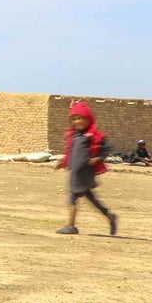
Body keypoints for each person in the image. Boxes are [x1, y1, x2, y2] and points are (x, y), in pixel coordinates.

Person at [54, 101, 117, 236]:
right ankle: (109, 216)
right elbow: (71, 152)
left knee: (73, 198)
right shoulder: (75, 136)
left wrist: (98, 159)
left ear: (89, 119)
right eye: (75, 118)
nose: (78, 121)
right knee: (91, 198)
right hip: (76, 173)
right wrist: (63, 162)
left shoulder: (94, 136)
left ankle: (71, 226)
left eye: (81, 118)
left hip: (85, 172)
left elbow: (106, 149)